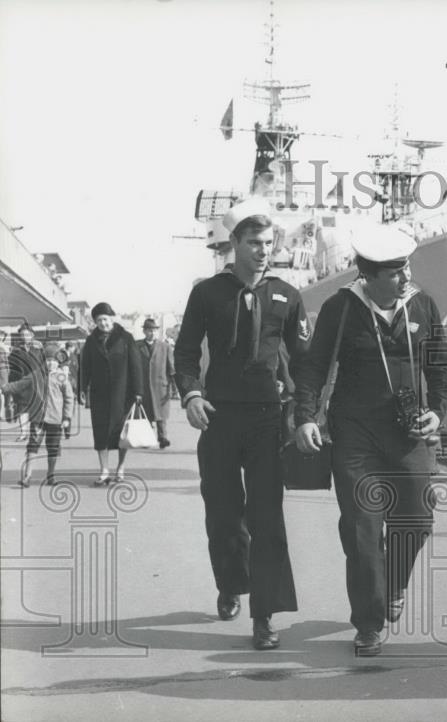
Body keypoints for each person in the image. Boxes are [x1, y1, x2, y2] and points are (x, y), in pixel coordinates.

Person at [293, 226, 447, 657]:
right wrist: (305, 417)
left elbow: (441, 365)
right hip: (355, 435)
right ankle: (368, 622)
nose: (406, 278)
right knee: (363, 531)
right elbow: (312, 367)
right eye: (397, 272)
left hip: (409, 432)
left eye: (407, 269)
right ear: (369, 274)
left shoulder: (422, 304)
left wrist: (437, 410)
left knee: (417, 520)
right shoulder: (340, 308)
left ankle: (394, 582)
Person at [174, 196, 310, 651]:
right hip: (219, 418)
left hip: (267, 421)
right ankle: (231, 582)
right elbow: (186, 350)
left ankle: (265, 616)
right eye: (254, 242)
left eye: (269, 242)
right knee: (224, 516)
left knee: (267, 517)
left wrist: (304, 412)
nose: (263, 250)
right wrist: (191, 393)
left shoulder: (287, 297)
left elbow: (305, 361)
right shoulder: (207, 293)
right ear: (234, 243)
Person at [80, 303, 142, 485]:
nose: (103, 323)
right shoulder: (91, 341)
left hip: (123, 395)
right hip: (99, 395)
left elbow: (136, 366)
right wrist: (82, 389)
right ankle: (104, 470)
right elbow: (86, 367)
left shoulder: (126, 338)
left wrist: (138, 391)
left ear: (112, 319)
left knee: (122, 433)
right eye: (99, 320)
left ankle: (120, 467)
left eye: (105, 319)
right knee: (100, 433)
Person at [2, 343, 74, 486]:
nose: (51, 363)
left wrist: (66, 418)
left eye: (54, 360)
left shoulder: (61, 377)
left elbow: (69, 398)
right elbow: (19, 385)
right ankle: (27, 477)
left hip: (56, 419)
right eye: (48, 360)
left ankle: (51, 475)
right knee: (33, 445)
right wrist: (4, 388)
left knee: (53, 447)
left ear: (58, 362)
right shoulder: (35, 375)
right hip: (38, 418)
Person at [136, 318, 175, 448]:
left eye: (153, 330)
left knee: (161, 415)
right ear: (144, 331)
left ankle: (162, 438)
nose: (151, 333)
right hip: (144, 387)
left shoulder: (165, 347)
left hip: (161, 386)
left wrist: (173, 388)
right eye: (148, 330)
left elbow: (172, 369)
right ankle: (147, 438)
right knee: (146, 414)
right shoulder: (137, 346)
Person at [8, 322, 46, 441]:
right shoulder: (15, 351)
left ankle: (36, 432)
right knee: (22, 408)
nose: (25, 337)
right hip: (21, 382)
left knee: (36, 408)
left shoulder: (38, 350)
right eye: (22, 335)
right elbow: (12, 369)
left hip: (36, 383)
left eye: (27, 334)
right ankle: (23, 433)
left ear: (32, 335)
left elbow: (44, 366)